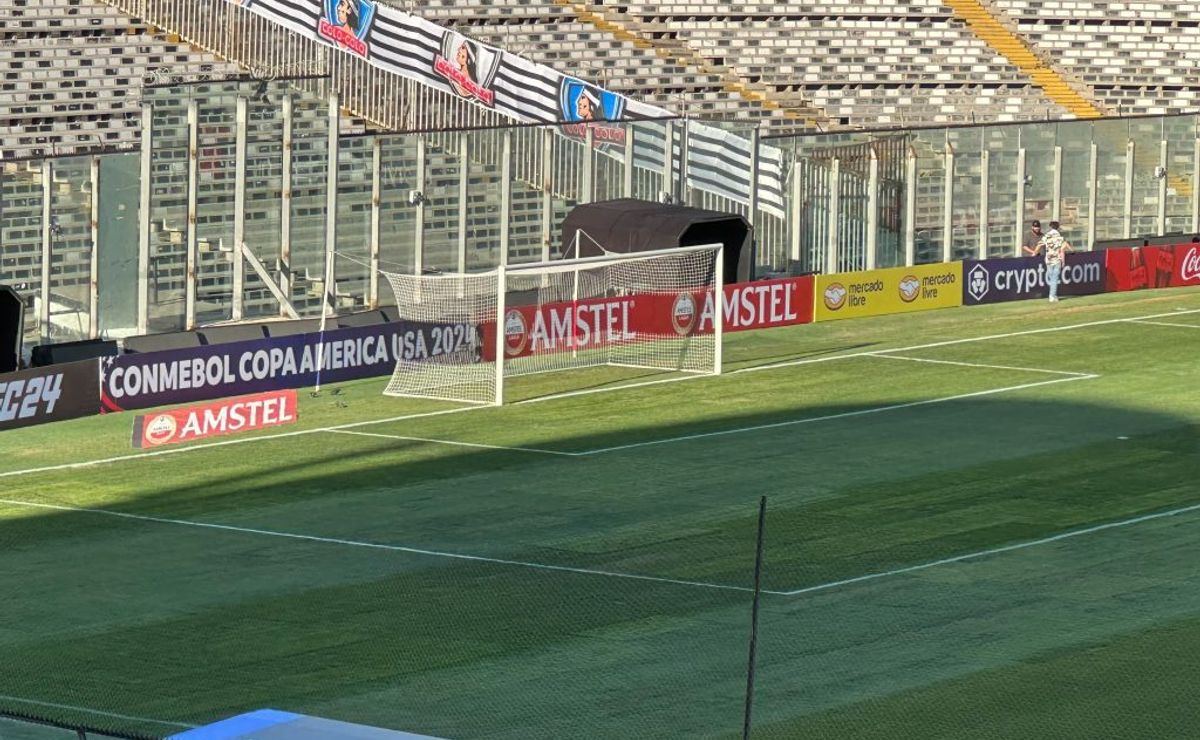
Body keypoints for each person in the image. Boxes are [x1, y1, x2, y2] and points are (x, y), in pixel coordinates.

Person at [1029, 220, 1072, 302]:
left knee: (1052, 277)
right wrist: (1072, 250)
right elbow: (1066, 244)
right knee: (1054, 278)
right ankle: (1052, 296)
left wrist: (1034, 253)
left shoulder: (1046, 236)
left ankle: (1053, 295)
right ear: (1058, 227)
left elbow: (1039, 244)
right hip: (1057, 259)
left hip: (1048, 259)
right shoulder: (1060, 237)